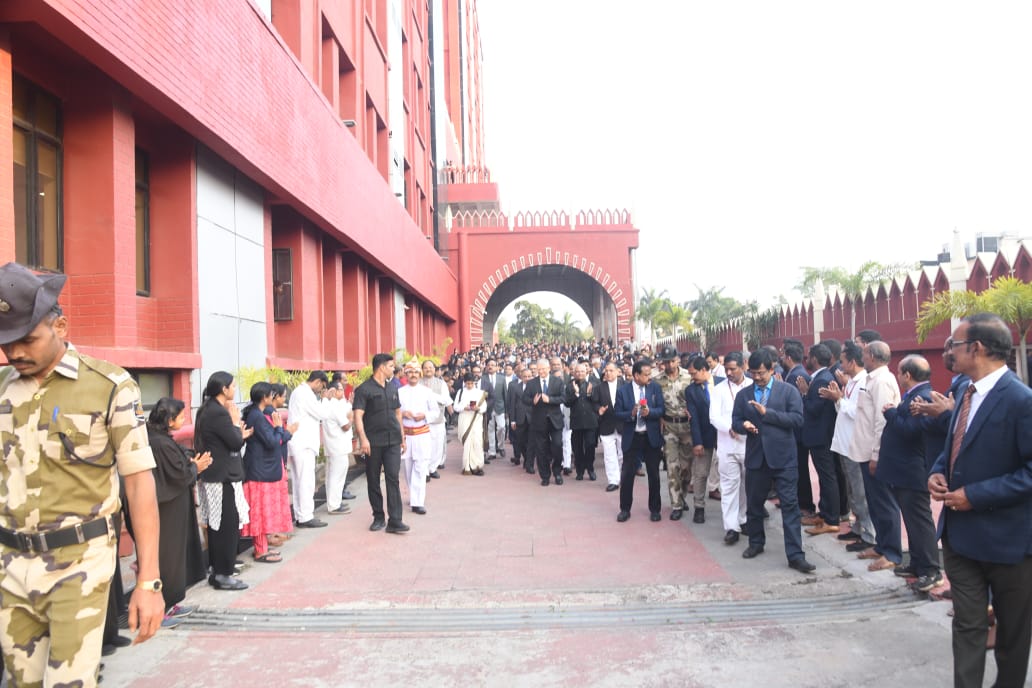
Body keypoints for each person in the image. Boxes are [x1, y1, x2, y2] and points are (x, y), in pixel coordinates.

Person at [0, 263, 165, 685]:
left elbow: (138, 484)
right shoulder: (2, 388)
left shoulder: (110, 386)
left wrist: (149, 581)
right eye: (6, 343)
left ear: (60, 325)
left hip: (79, 564)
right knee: (20, 682)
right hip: (9, 564)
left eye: (27, 340)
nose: (15, 352)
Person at [928, 313, 1032, 688]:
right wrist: (937, 472)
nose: (949, 352)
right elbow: (955, 448)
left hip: (1008, 543)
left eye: (954, 345)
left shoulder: (1020, 400)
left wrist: (974, 495)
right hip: (960, 539)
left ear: (977, 348)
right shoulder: (965, 393)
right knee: (967, 625)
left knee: (1012, 635)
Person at [732, 349, 814, 573]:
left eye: (761, 373)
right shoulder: (744, 395)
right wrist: (743, 426)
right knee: (754, 504)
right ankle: (756, 543)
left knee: (790, 506)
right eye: (753, 373)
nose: (757, 377)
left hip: (784, 458)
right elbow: (736, 420)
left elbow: (797, 420)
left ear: (771, 369)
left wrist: (767, 413)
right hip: (756, 458)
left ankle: (795, 555)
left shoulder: (788, 391)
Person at [879, 355, 942, 591]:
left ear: (907, 375)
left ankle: (931, 570)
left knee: (920, 522)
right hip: (903, 470)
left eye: (899, 372)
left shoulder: (922, 397)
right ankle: (917, 563)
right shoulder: (913, 395)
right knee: (911, 521)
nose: (897, 376)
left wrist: (891, 413)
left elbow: (911, 431)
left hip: (913, 471)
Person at [147, 397, 211, 623]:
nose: (184, 420)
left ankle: (171, 603)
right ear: (169, 419)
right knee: (167, 557)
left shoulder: (160, 438)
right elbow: (178, 474)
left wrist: (191, 461)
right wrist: (196, 467)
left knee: (175, 556)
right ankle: (161, 608)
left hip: (174, 505)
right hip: (167, 509)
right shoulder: (159, 443)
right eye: (181, 417)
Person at [195, 371, 253, 590]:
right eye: (233, 386)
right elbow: (235, 442)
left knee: (217, 525)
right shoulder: (219, 413)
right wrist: (236, 424)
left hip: (215, 474)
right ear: (223, 389)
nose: (235, 389)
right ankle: (223, 574)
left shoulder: (207, 409)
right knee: (226, 526)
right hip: (222, 476)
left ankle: (218, 571)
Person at [849, 341, 902, 572]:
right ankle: (882, 545)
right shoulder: (872, 379)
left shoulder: (882, 381)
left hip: (876, 454)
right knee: (874, 502)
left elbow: (883, 421)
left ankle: (892, 552)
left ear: (871, 355)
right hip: (864, 451)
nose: (862, 358)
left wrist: (877, 455)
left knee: (885, 503)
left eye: (864, 354)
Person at [820, 341, 877, 551]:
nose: (840, 365)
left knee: (860, 493)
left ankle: (869, 535)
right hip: (846, 445)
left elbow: (858, 413)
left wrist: (839, 399)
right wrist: (839, 399)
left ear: (852, 362)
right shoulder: (852, 381)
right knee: (853, 491)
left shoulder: (863, 383)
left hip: (856, 446)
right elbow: (843, 410)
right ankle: (858, 527)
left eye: (843, 361)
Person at [353, 353, 409, 534]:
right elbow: (358, 416)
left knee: (393, 478)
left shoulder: (393, 387)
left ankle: (395, 520)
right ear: (381, 367)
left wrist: (402, 436)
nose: (394, 369)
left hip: (393, 440)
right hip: (373, 442)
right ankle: (378, 517)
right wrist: (363, 438)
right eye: (391, 366)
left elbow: (398, 413)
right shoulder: (364, 390)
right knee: (373, 479)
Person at [241, 382, 295, 562]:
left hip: (263, 468)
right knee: (259, 511)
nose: (273, 398)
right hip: (259, 471)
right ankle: (260, 551)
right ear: (265, 397)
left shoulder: (257, 414)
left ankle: (262, 547)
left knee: (263, 511)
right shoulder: (257, 417)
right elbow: (272, 442)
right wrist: (280, 428)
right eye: (271, 395)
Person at [797, 343, 841, 536]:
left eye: (809, 356)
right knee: (825, 477)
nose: (807, 359)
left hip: (821, 437)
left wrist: (805, 393)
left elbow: (814, 409)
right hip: (821, 436)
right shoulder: (821, 377)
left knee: (828, 477)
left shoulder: (823, 379)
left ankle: (831, 519)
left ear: (814, 359)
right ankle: (824, 513)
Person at [615, 359, 665, 522]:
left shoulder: (655, 388)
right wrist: (631, 413)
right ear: (636, 375)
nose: (649, 377)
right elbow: (617, 413)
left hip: (651, 437)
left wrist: (650, 412)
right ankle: (625, 509)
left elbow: (661, 410)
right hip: (632, 437)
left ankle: (655, 509)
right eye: (646, 374)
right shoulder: (623, 391)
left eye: (650, 374)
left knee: (654, 475)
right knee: (627, 475)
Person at [709, 351, 751, 544]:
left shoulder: (752, 386)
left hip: (748, 445)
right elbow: (714, 416)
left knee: (746, 486)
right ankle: (731, 527)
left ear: (743, 366)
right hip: (727, 445)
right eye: (726, 369)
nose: (728, 373)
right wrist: (730, 428)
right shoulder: (719, 390)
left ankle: (743, 519)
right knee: (729, 486)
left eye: (733, 369)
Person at [654, 345, 696, 521]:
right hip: (669, 427)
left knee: (686, 468)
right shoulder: (657, 381)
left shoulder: (689, 377)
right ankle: (676, 504)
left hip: (687, 428)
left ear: (678, 360)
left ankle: (682, 495)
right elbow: (655, 403)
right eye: (666, 362)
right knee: (672, 467)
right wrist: (659, 419)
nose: (669, 365)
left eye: (672, 361)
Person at [287, 371, 331, 528]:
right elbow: (323, 414)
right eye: (322, 387)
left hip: (299, 443)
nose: (321, 391)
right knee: (305, 481)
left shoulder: (299, 392)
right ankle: (305, 516)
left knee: (299, 481)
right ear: (318, 382)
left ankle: (301, 515)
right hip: (303, 444)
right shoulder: (305, 394)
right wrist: (325, 399)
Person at [684, 356, 724, 524]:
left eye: (694, 373)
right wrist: (697, 442)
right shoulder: (691, 391)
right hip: (704, 436)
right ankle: (699, 507)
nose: (692, 377)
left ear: (703, 370)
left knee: (730, 472)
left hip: (724, 436)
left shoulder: (723, 383)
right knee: (700, 473)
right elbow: (693, 418)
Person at [398, 358, 439, 513]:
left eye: (416, 372)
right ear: (406, 374)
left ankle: (418, 502)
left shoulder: (427, 392)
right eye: (410, 372)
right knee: (408, 468)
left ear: (420, 374)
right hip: (406, 436)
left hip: (422, 434)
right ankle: (413, 496)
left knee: (421, 468)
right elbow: (395, 413)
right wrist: (403, 414)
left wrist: (424, 415)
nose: (413, 375)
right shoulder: (400, 392)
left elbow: (435, 412)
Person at [523, 357, 566, 486]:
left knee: (557, 445)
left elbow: (564, 398)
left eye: (543, 369)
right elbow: (524, 398)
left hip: (555, 420)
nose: (541, 371)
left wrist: (550, 400)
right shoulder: (532, 383)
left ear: (549, 368)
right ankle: (545, 476)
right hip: (539, 421)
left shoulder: (557, 381)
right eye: (539, 369)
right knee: (541, 450)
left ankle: (557, 472)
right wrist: (533, 401)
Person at [321, 379, 354, 515]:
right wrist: (351, 418)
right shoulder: (334, 406)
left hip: (333, 446)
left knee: (332, 476)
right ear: (333, 391)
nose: (343, 391)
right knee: (337, 477)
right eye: (341, 389)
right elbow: (345, 425)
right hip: (338, 446)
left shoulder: (329, 404)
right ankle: (334, 505)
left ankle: (334, 502)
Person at [565, 363, 600, 481]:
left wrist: (589, 394)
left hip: (591, 421)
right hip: (576, 421)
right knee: (577, 448)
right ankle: (579, 471)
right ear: (574, 373)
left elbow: (597, 400)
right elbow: (567, 403)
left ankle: (590, 469)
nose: (580, 374)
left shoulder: (593, 384)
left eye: (582, 371)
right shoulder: (570, 386)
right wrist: (576, 393)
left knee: (590, 446)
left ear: (586, 372)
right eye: (577, 372)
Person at [594, 362, 625, 492]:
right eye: (606, 371)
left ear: (618, 371)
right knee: (609, 454)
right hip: (606, 425)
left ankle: (623, 477)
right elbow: (594, 403)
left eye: (611, 370)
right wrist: (599, 409)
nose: (608, 373)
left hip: (623, 424)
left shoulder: (625, 386)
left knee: (623, 454)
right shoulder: (599, 388)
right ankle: (613, 480)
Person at [421, 359, 452, 477]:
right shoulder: (418, 383)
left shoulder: (441, 383)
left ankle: (432, 468)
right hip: (422, 420)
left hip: (438, 420)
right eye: (426, 368)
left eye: (430, 367)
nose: (428, 370)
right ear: (422, 370)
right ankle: (425, 471)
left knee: (437, 446)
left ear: (435, 369)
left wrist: (430, 394)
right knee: (424, 446)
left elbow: (445, 399)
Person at [454, 373, 488, 476]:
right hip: (464, 419)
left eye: (471, 383)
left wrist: (478, 408)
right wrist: (465, 408)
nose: (469, 385)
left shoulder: (480, 393)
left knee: (477, 442)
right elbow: (455, 407)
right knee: (467, 442)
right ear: (464, 382)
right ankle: (467, 467)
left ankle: (477, 466)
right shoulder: (460, 392)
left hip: (476, 419)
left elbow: (484, 407)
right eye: (467, 383)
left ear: (474, 383)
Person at [507, 367, 533, 471]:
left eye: (529, 376)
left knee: (531, 442)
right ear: (521, 377)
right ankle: (526, 457)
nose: (527, 378)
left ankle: (529, 462)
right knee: (520, 441)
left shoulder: (535, 387)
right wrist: (512, 420)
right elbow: (512, 404)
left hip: (532, 418)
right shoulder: (515, 387)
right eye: (525, 376)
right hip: (519, 418)